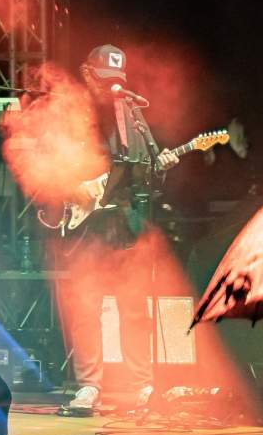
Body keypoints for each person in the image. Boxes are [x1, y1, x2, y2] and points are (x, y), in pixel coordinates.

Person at [58, 44, 179, 415]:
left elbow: (146, 176)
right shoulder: (71, 114)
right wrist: (72, 186)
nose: (112, 88)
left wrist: (163, 167)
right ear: (87, 73)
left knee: (133, 308)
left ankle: (142, 384)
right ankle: (89, 386)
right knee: (86, 307)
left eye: (117, 81)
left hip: (125, 223)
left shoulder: (133, 116)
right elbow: (48, 163)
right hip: (86, 226)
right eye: (105, 80)